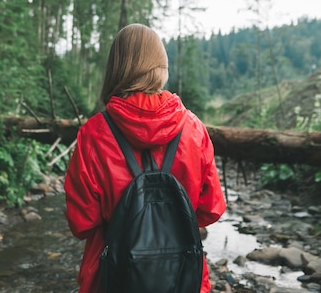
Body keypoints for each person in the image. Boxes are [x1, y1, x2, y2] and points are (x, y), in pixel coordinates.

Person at [64, 23, 226, 293]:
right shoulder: (194, 129)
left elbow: (82, 223)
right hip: (183, 280)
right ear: (160, 67)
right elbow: (211, 209)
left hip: (112, 279)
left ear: (117, 68)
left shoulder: (93, 134)